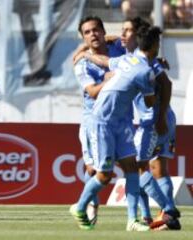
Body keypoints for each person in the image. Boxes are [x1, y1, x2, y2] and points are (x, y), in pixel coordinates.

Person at [76, 17, 181, 230]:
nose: (122, 35)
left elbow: (165, 85)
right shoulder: (127, 58)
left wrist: (160, 115)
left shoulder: (145, 63)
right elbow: (104, 60)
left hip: (151, 121)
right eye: (121, 31)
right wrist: (84, 52)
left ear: (139, 36)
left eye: (127, 31)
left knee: (142, 168)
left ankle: (167, 211)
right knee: (144, 167)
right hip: (133, 121)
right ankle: (147, 216)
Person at [70, 16, 124, 226]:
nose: (93, 34)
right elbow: (92, 92)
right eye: (87, 32)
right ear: (83, 37)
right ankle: (89, 208)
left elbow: (126, 40)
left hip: (121, 119)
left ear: (103, 31)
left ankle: (139, 217)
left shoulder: (118, 49)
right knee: (94, 170)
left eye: (96, 30)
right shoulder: (82, 62)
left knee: (133, 165)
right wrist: (108, 80)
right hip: (94, 121)